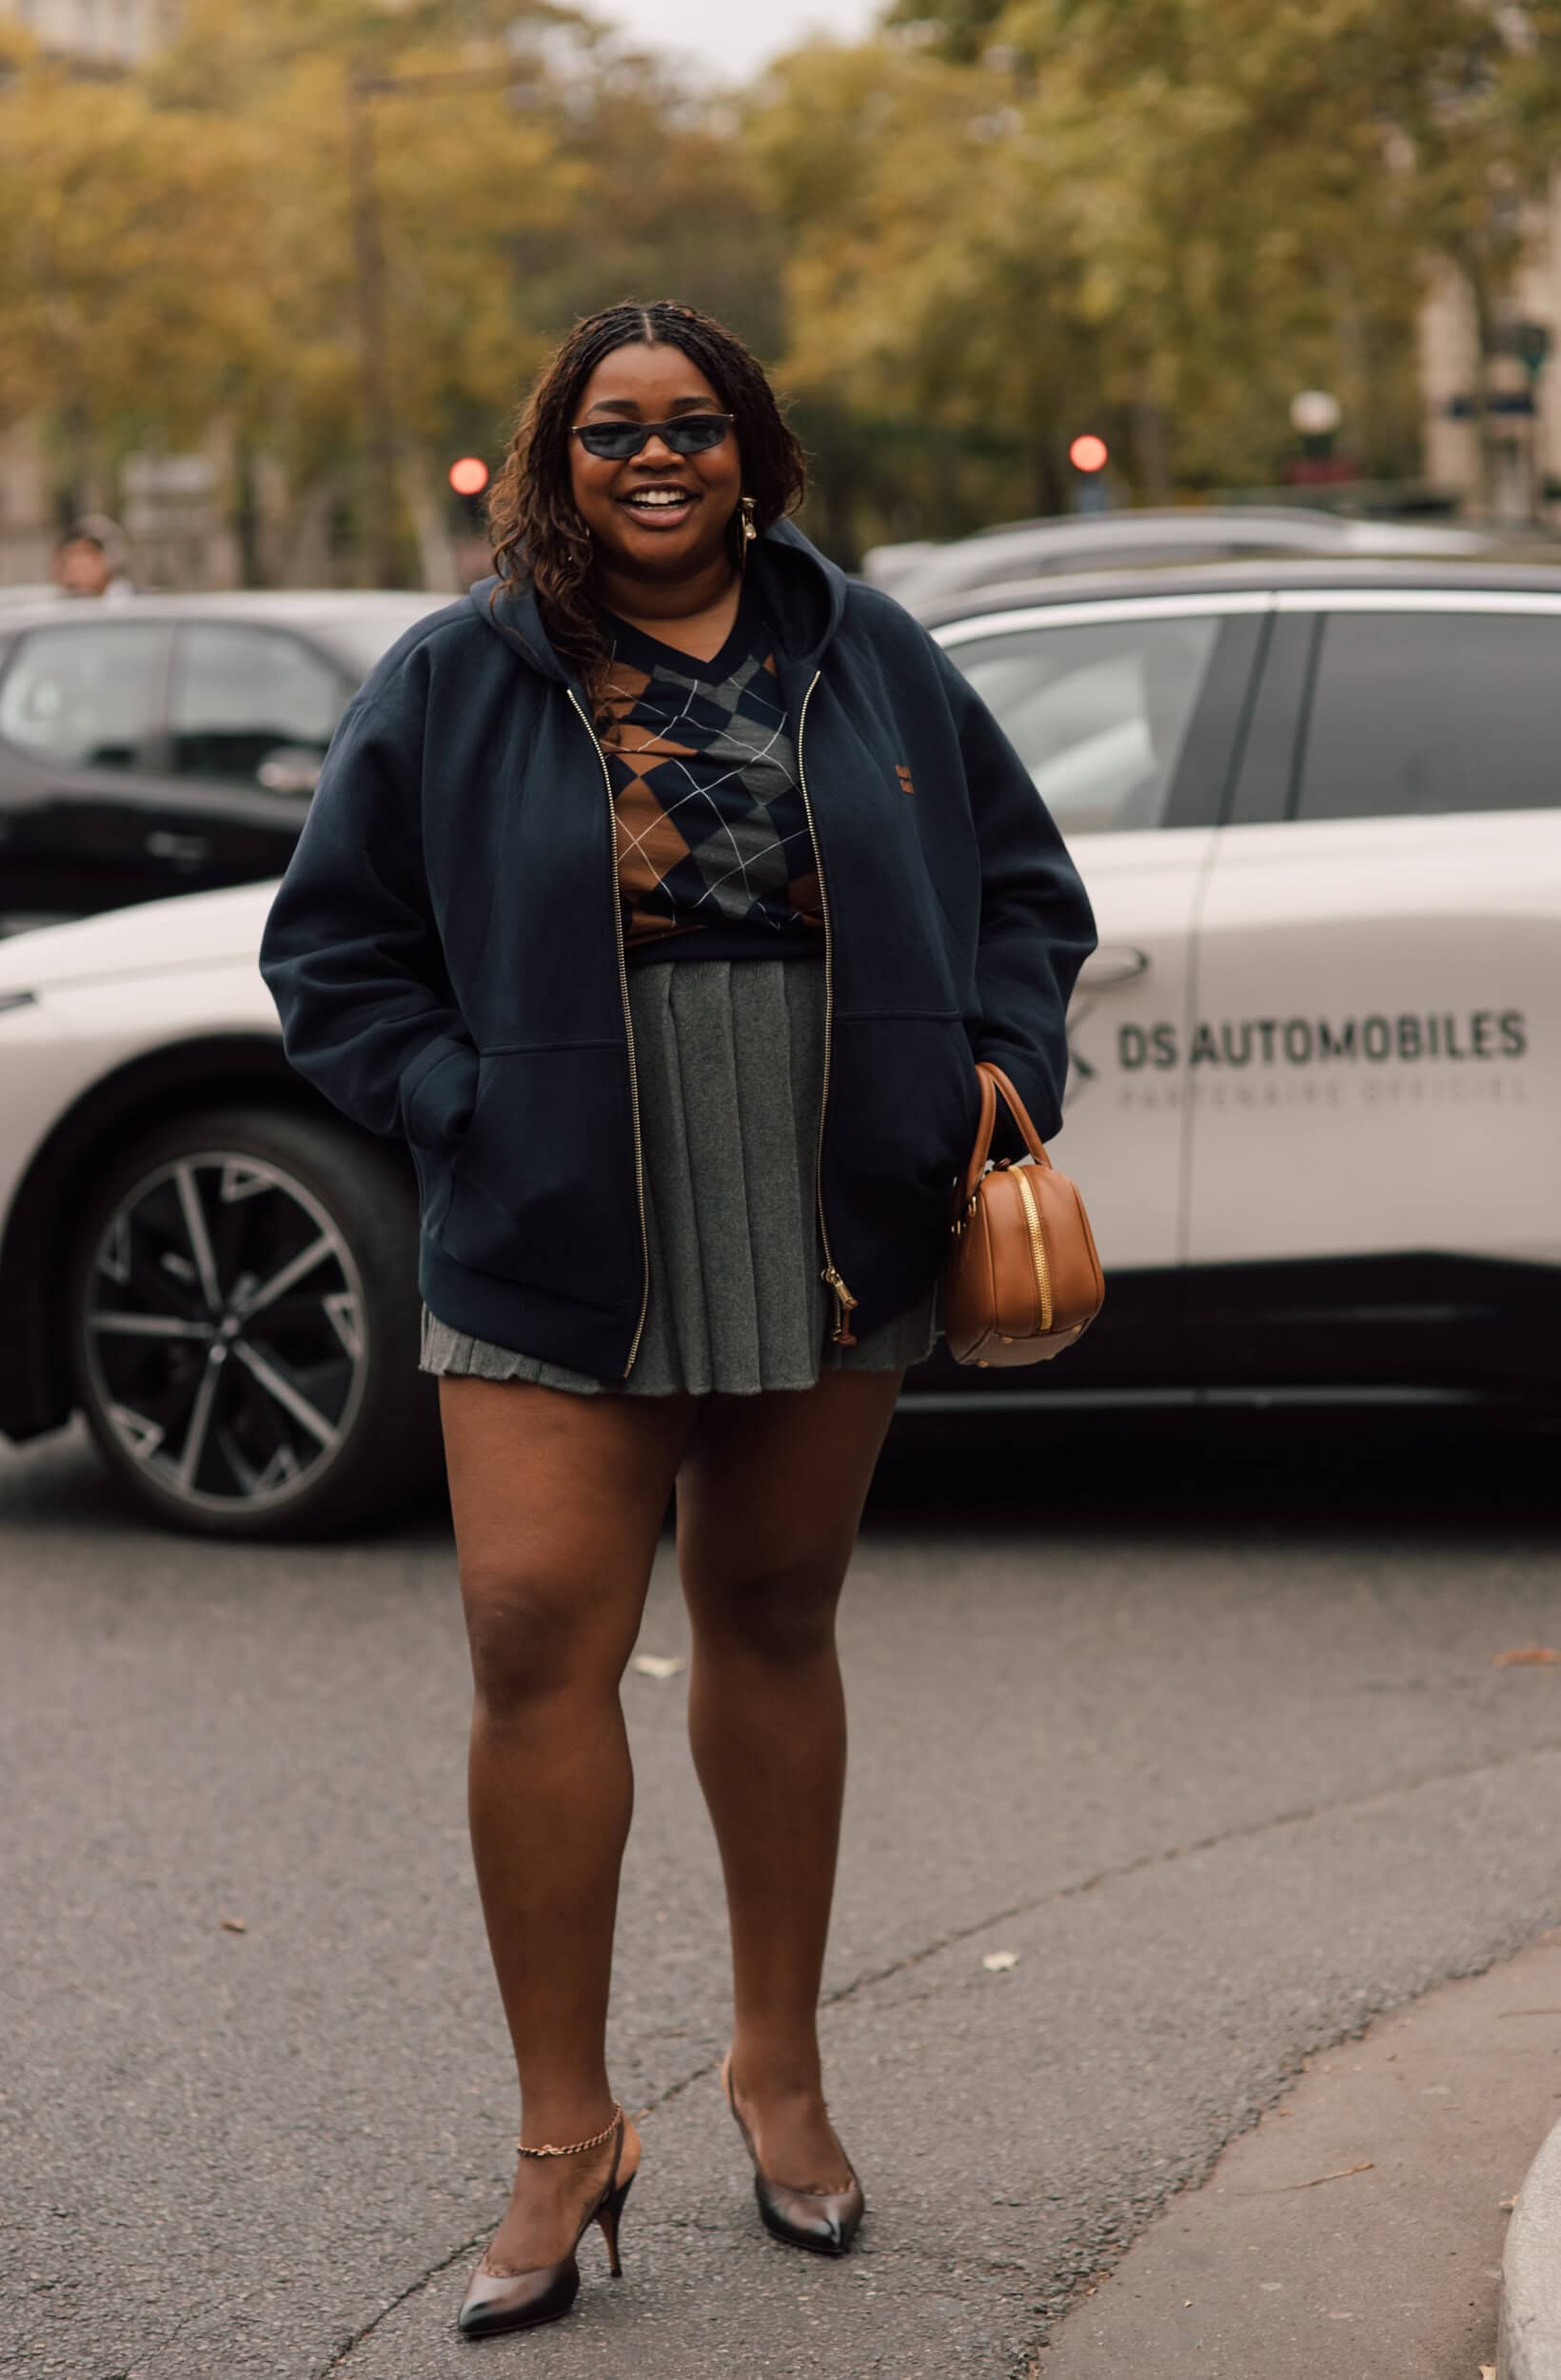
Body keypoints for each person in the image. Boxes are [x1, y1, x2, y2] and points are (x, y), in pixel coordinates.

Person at [260, 300, 1096, 2343]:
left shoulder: (869, 648)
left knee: (778, 1612)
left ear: (752, 449)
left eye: (694, 423)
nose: (656, 455)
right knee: (532, 1630)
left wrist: (989, 1071)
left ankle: (776, 2067)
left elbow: (1024, 889)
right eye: (613, 426)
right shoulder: (460, 668)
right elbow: (333, 950)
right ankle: (565, 2132)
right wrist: (463, 1106)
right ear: (558, 454)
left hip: (831, 1191)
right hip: (552, 1201)